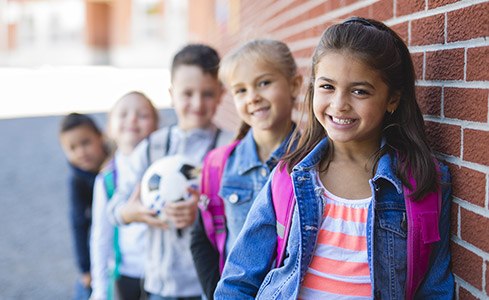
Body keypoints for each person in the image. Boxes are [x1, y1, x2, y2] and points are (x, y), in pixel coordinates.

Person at [214, 17, 454, 299]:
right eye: (327, 87)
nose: (339, 104)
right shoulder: (289, 176)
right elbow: (238, 280)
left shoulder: (423, 182)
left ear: (392, 99)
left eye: (359, 91)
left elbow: (435, 289)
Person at [106, 44, 234, 300]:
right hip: (161, 286)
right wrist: (133, 213)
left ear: (221, 94)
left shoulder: (228, 148)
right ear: (171, 94)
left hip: (209, 286)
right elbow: (115, 210)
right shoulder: (152, 147)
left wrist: (203, 210)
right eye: (187, 93)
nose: (197, 103)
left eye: (207, 93)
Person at [190, 39, 302, 300]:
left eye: (264, 83)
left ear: (294, 85)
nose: (253, 97)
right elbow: (202, 240)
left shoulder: (314, 162)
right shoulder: (219, 165)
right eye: (240, 90)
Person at [90, 92, 159, 300]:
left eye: (143, 115)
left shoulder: (164, 171)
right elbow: (100, 237)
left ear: (156, 127)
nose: (132, 119)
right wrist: (99, 289)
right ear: (109, 127)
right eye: (123, 114)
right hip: (126, 273)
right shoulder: (107, 180)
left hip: (162, 275)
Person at [59, 113, 109, 300]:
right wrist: (85, 268)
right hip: (97, 247)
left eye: (86, 143)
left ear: (100, 136)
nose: (81, 152)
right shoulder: (77, 180)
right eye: (72, 148)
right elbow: (78, 224)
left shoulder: (117, 165)